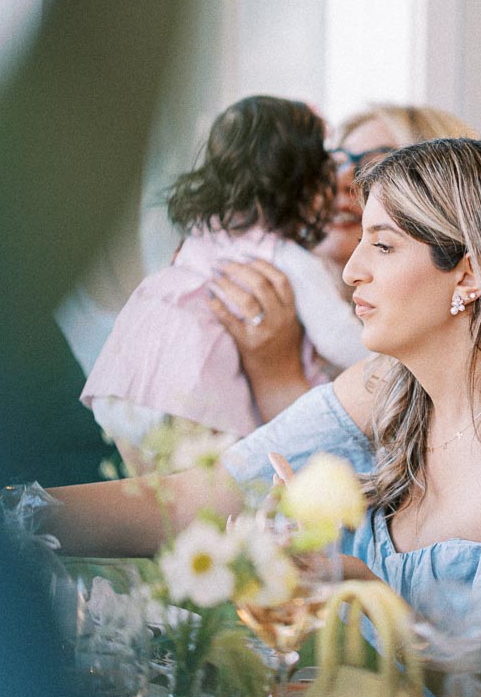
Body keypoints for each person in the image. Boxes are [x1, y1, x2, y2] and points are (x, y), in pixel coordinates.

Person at [50, 137, 481, 697]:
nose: (352, 271)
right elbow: (216, 491)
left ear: (468, 274)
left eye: (383, 247)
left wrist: (377, 605)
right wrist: (23, 514)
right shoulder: (387, 387)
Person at [80, 95, 367, 469]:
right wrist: (385, 360)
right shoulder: (283, 255)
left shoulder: (202, 235)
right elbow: (337, 337)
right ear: (307, 182)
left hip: (129, 377)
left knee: (154, 485)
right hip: (195, 393)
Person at [208, 103, 478, 422]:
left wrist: (276, 374)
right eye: (333, 165)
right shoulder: (268, 276)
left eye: (374, 169)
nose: (339, 183)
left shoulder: (433, 363)